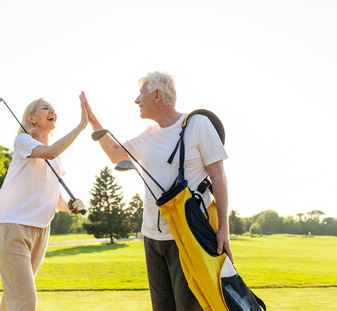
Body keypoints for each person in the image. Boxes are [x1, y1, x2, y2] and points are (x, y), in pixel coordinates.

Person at [82, 72, 232, 311]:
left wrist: (224, 229)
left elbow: (219, 178)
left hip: (188, 236)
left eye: (141, 94)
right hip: (152, 238)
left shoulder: (198, 125)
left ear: (157, 95)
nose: (136, 101)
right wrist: (92, 121)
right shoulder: (149, 135)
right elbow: (114, 153)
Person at [0, 94, 88, 311]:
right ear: (32, 118)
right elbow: (49, 151)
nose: (51, 111)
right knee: (25, 300)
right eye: (45, 108)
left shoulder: (56, 157)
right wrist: (82, 125)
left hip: (41, 230)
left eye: (53, 108)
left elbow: (57, 200)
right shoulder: (23, 141)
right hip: (15, 226)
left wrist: (71, 207)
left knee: (14, 298)